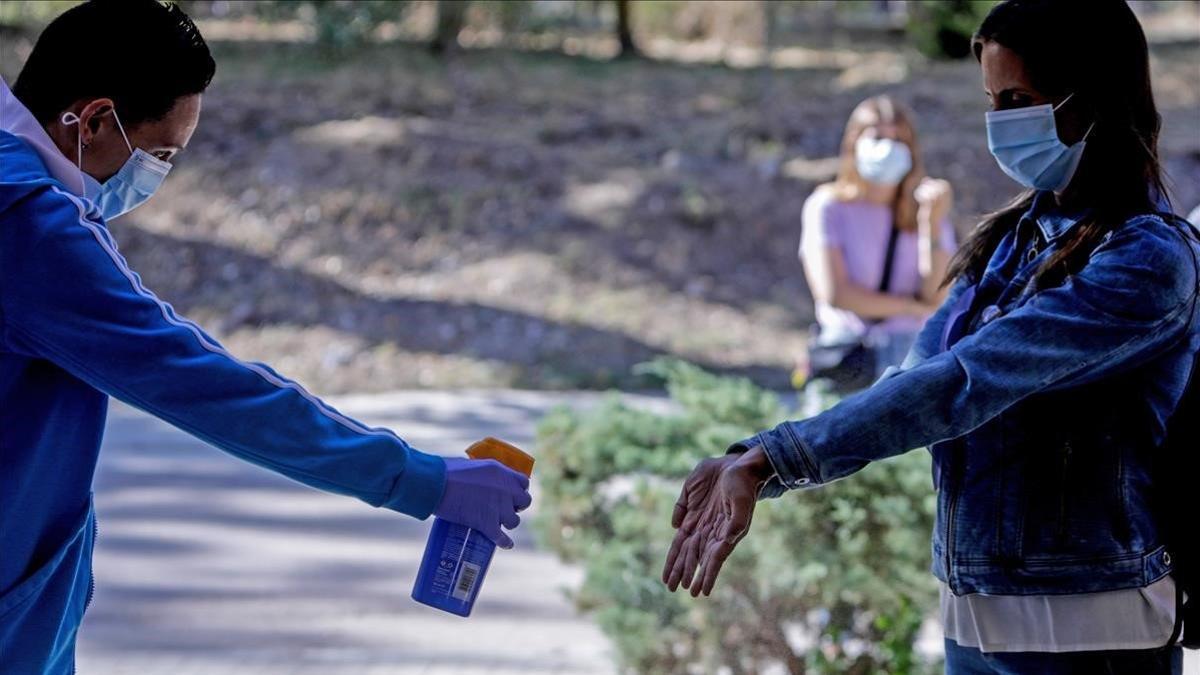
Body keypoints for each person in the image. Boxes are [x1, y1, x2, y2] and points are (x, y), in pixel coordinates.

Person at [664, 1, 1197, 673]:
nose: (1001, 122)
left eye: (1019, 98)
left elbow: (966, 381)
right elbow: (916, 378)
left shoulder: (1147, 258)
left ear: (1092, 97)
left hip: (1091, 628)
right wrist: (758, 457)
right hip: (975, 618)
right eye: (992, 99)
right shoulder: (1008, 241)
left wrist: (775, 458)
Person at [0, 2, 530, 672]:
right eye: (159, 154)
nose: (156, 178)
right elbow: (203, 383)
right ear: (96, 118)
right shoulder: (29, 225)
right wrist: (420, 478)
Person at [798, 95, 956, 389]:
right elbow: (837, 293)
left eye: (899, 139)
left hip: (911, 359)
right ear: (854, 142)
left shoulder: (927, 209)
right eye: (878, 136)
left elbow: (935, 296)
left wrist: (930, 224)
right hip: (848, 357)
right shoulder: (827, 206)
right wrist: (910, 308)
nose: (888, 147)